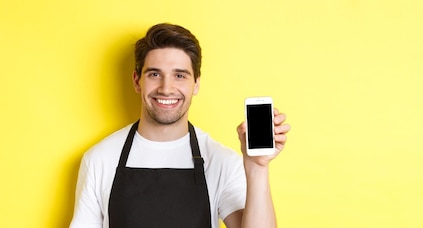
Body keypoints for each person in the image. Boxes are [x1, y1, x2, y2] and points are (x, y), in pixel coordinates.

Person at [69, 23, 290, 228]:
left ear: (196, 84)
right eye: (155, 74)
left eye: (180, 75)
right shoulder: (100, 159)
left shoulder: (221, 161)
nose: (166, 88)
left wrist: (257, 168)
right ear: (137, 81)